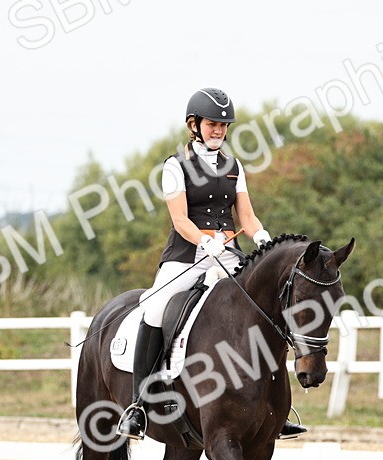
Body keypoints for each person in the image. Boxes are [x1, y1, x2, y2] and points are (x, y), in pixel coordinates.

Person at [117, 87, 307, 441]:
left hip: (229, 254)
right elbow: (179, 220)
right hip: (187, 255)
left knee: (264, 306)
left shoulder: (234, 167)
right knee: (155, 308)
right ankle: (138, 406)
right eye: (212, 124)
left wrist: (262, 238)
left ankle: (276, 407)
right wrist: (205, 240)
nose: (218, 130)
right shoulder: (176, 166)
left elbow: (246, 216)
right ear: (195, 125)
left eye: (223, 125)